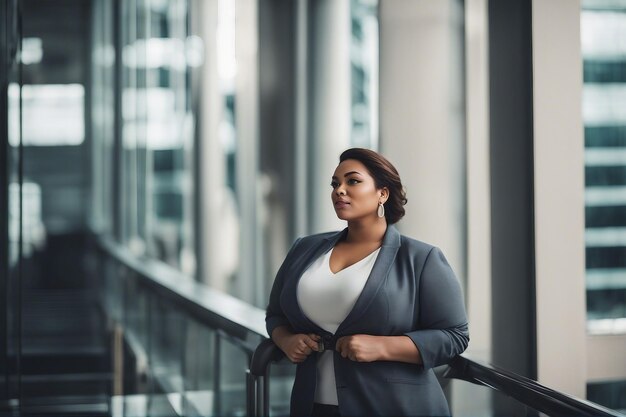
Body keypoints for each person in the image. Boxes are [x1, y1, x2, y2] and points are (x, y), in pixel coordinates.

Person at [266, 148, 469, 417]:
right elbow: (276, 315)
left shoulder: (422, 258)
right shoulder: (305, 249)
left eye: (353, 181)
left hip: (393, 407)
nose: (340, 190)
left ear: (382, 194)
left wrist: (382, 347)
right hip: (311, 405)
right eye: (335, 183)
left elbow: (454, 336)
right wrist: (287, 340)